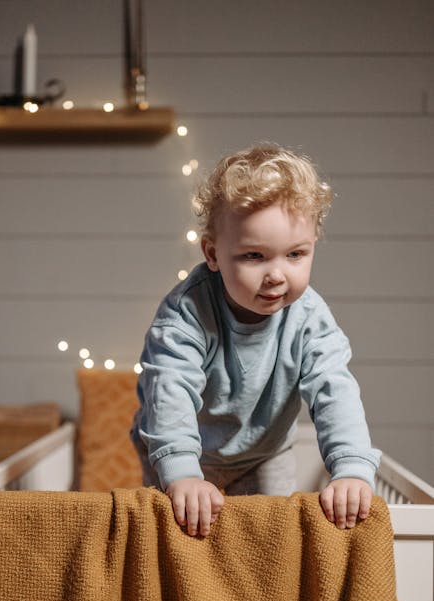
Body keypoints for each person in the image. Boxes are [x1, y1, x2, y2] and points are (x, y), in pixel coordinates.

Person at [131, 142, 381, 538]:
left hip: (263, 454)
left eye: (296, 254)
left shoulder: (309, 319)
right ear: (213, 254)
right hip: (181, 448)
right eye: (254, 257)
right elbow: (169, 391)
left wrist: (351, 467)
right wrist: (181, 472)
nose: (277, 275)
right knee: (173, 538)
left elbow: (335, 389)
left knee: (266, 541)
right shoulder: (186, 314)